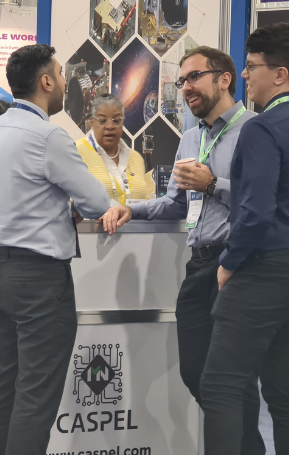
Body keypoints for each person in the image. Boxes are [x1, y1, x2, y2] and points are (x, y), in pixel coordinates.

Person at [101, 46, 265, 454]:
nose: (186, 87)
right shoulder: (191, 137)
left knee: (232, 377)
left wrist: (213, 184)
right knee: (196, 373)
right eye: (182, 80)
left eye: (194, 77)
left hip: (239, 265)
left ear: (224, 79)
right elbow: (176, 204)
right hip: (199, 265)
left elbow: (265, 201)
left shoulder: (256, 131)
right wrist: (131, 208)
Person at [199, 23, 289, 455]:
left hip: (266, 270)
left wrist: (229, 263)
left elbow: (255, 211)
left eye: (251, 67)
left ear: (279, 74)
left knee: (220, 385)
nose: (244, 75)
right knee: (285, 389)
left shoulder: (262, 128)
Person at [0, 44, 110, 455]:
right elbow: (97, 203)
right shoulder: (49, 136)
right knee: (35, 394)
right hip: (40, 279)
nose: (65, 82)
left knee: (1, 385)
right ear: (46, 81)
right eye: (62, 74)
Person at [76, 94, 153, 205]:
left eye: (116, 120)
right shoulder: (76, 152)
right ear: (92, 122)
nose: (110, 126)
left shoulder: (136, 158)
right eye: (102, 120)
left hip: (134, 217)